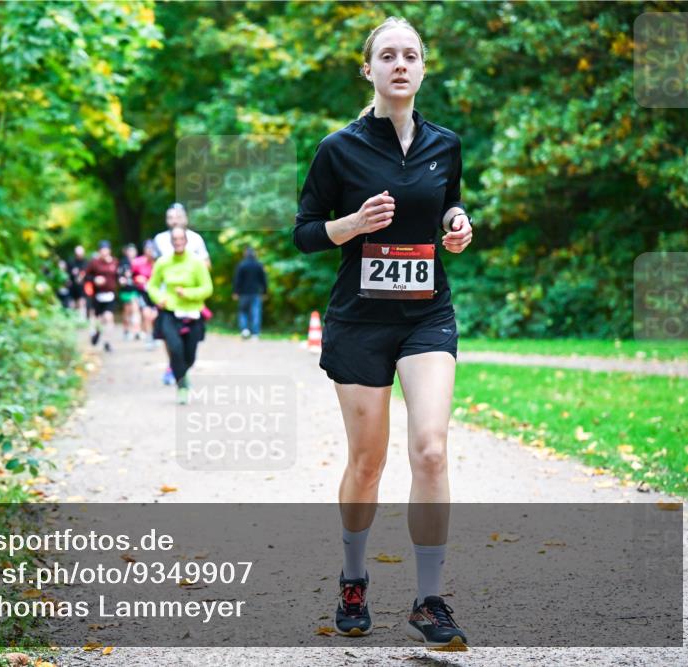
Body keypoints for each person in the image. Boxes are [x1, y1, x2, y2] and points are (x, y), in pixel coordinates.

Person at [294, 17, 473, 649]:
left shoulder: (444, 143)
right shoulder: (337, 149)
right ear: (367, 69)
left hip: (427, 312)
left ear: (424, 69)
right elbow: (306, 232)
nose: (400, 64)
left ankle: (428, 599)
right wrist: (352, 223)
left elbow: (446, 202)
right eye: (387, 55)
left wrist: (456, 223)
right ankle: (352, 579)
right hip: (360, 319)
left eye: (412, 55)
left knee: (429, 448)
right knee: (368, 462)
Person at [146, 227, 213, 404]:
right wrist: (159, 298)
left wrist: (188, 293)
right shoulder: (163, 262)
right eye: (174, 239)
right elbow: (152, 285)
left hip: (193, 313)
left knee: (189, 356)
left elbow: (207, 288)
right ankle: (181, 385)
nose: (177, 242)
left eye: (180, 239)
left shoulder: (197, 263)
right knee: (175, 349)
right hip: (170, 312)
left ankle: (183, 373)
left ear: (186, 241)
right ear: (170, 242)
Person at [85, 241, 120, 352]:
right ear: (99, 251)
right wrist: (94, 279)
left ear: (109, 250)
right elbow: (86, 277)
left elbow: (119, 275)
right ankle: (97, 333)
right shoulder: (94, 263)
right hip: (98, 296)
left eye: (106, 249)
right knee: (99, 320)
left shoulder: (115, 262)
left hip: (110, 295)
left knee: (108, 317)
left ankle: (108, 343)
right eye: (102, 249)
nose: (104, 252)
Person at [232, 247, 267, 338]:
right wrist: (264, 292)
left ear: (245, 254)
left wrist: (235, 292)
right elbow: (263, 280)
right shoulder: (259, 265)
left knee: (243, 311)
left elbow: (237, 280)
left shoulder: (241, 265)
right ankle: (255, 333)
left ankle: (244, 330)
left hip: (243, 293)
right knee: (255, 312)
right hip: (255, 293)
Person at [131, 240, 159, 349]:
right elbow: (131, 277)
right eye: (148, 248)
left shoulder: (159, 263)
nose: (150, 251)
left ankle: (155, 335)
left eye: (152, 249)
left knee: (155, 316)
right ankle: (149, 337)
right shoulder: (137, 262)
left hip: (156, 293)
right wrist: (137, 279)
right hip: (142, 293)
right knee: (146, 315)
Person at [117, 243, 142, 340]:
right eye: (130, 251)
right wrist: (121, 280)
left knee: (135, 309)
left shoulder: (139, 262)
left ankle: (137, 330)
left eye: (133, 250)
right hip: (125, 290)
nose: (132, 253)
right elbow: (119, 275)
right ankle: (126, 330)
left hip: (136, 289)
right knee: (127, 311)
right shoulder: (123, 263)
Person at [66, 245, 88, 317]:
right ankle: (73, 318)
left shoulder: (86, 262)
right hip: (72, 286)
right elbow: (67, 273)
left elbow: (88, 273)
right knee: (72, 304)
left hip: (82, 287)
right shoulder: (71, 262)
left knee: (81, 302)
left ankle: (81, 319)